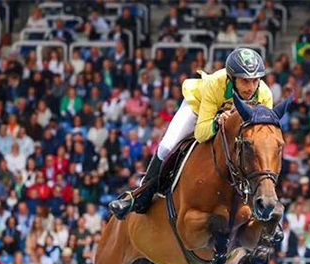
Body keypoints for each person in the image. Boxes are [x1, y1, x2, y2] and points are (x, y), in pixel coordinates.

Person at [109, 48, 273, 218]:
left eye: (255, 81)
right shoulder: (215, 83)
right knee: (167, 145)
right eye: (245, 81)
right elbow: (201, 133)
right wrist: (217, 121)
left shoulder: (264, 95)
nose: (251, 88)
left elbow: (263, 136)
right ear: (232, 78)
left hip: (229, 121)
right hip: (198, 109)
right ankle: (141, 194)